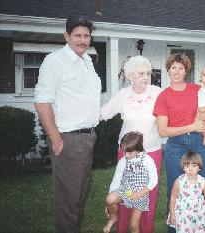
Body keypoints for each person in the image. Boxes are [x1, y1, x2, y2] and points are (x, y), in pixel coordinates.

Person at [34, 15, 101, 233]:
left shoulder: (88, 61)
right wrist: (56, 140)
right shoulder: (55, 61)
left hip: (87, 138)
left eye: (86, 36)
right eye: (77, 35)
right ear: (66, 36)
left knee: (79, 197)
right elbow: (42, 102)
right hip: (69, 140)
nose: (82, 40)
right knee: (68, 201)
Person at [153, 54, 205, 233]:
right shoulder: (163, 96)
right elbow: (163, 131)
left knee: (204, 188)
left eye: (180, 68)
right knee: (175, 190)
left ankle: (204, 229)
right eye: (173, 67)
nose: (177, 71)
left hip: (200, 143)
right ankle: (174, 229)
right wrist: (193, 126)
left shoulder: (198, 90)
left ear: (186, 70)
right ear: (168, 70)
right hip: (176, 146)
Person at [100, 55, 162, 233]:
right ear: (130, 76)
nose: (146, 77)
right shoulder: (123, 95)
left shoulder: (157, 92)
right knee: (125, 191)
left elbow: (174, 110)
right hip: (127, 153)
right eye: (141, 73)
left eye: (148, 73)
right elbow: (103, 113)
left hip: (152, 152)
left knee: (148, 195)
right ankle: (121, 227)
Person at [103, 132, 158, 233]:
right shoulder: (123, 161)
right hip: (125, 190)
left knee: (133, 225)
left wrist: (141, 194)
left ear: (138, 150)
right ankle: (113, 218)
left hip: (141, 194)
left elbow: (154, 180)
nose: (126, 156)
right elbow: (116, 180)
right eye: (124, 152)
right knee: (110, 199)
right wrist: (109, 203)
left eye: (130, 153)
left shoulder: (147, 160)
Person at [168, 151, 205, 233]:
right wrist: (172, 214)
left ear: (199, 167)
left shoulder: (203, 182)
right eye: (187, 166)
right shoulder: (179, 181)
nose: (190, 169)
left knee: (197, 229)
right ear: (183, 167)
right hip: (183, 213)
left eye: (194, 166)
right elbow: (173, 197)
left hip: (198, 212)